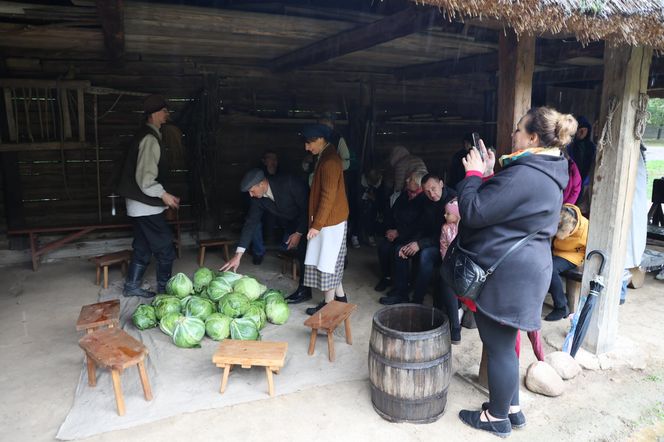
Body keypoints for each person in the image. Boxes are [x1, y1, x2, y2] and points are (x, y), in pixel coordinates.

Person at [456, 106, 575, 437]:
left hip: (510, 274)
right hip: (529, 268)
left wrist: (474, 175)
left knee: (499, 348)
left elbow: (474, 212)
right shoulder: (550, 169)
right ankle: (512, 409)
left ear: (533, 137)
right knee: (504, 346)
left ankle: (496, 419)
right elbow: (509, 205)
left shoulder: (525, 173)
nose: (512, 135)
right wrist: (493, 172)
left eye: (518, 131)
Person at [117, 94, 180, 298]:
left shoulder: (147, 135)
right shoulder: (149, 140)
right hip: (146, 205)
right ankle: (165, 291)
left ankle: (132, 286)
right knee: (165, 248)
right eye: (164, 111)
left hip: (139, 206)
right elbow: (145, 180)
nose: (166, 114)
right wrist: (164, 195)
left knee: (143, 246)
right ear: (153, 114)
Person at [219, 168, 311, 303]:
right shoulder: (258, 199)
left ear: (261, 184)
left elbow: (307, 208)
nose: (250, 195)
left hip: (310, 220)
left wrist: (299, 232)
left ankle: (310, 290)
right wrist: (238, 256)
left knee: (310, 254)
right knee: (300, 253)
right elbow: (250, 223)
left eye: (251, 190)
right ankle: (305, 290)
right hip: (290, 224)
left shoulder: (289, 182)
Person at [380, 173, 456, 305]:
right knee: (401, 249)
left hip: (447, 244)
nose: (431, 194)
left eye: (434, 188)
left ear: (441, 184)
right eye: (427, 191)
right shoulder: (424, 199)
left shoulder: (452, 200)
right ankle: (401, 293)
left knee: (426, 255)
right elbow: (419, 224)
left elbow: (446, 233)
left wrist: (419, 244)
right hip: (428, 239)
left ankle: (417, 300)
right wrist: (412, 242)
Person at [300, 124, 350, 315]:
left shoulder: (329, 161)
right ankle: (342, 300)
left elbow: (328, 196)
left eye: (309, 142)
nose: (306, 147)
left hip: (330, 223)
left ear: (321, 139)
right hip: (330, 220)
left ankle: (329, 306)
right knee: (332, 263)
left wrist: (316, 225)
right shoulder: (325, 156)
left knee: (327, 264)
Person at [374, 170, 427, 294]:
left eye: (411, 179)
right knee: (383, 247)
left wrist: (399, 233)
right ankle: (386, 278)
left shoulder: (424, 200)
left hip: (412, 237)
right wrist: (389, 230)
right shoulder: (405, 195)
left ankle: (402, 288)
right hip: (397, 233)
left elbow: (419, 226)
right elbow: (391, 214)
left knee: (399, 250)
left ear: (419, 184)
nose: (407, 180)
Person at [319, 112, 361, 248]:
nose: (325, 128)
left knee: (334, 213)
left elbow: (346, 161)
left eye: (327, 125)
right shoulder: (316, 139)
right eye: (322, 125)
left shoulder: (338, 139)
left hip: (334, 180)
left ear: (332, 126)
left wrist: (331, 168)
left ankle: (338, 251)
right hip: (316, 181)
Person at [545, 204, 588, 321]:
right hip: (556, 251)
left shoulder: (585, 228)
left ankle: (561, 307)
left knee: (551, 268)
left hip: (573, 255)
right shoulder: (558, 215)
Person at [620, 143, 649, 304]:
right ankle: (620, 292)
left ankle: (620, 293)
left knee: (625, 253)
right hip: (627, 209)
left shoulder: (634, 155)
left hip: (630, 211)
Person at [248, 150, 280, 265]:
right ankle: (258, 252)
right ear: (264, 161)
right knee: (255, 224)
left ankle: (286, 250)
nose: (274, 162)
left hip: (277, 208)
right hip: (259, 205)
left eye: (275, 159)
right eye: (270, 159)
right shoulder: (258, 174)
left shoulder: (281, 172)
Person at [439, 198, 462, 344]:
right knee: (446, 279)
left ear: (457, 215)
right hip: (450, 263)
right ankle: (455, 325)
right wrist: (448, 262)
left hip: (464, 266)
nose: (445, 216)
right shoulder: (445, 229)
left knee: (449, 282)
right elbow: (443, 247)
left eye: (448, 213)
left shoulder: (465, 229)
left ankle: (455, 321)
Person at [568, 115, 596, 186]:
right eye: (580, 130)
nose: (582, 132)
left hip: (585, 182)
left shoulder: (592, 147)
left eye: (585, 130)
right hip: (570, 181)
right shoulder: (570, 145)